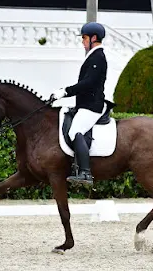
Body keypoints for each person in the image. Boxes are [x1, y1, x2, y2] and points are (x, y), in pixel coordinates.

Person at [51, 22, 108, 185]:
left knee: (75, 131)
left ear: (93, 38)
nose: (82, 41)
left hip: (92, 106)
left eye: (84, 38)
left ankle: (85, 173)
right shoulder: (93, 56)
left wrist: (65, 91)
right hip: (85, 104)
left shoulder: (98, 57)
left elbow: (89, 83)